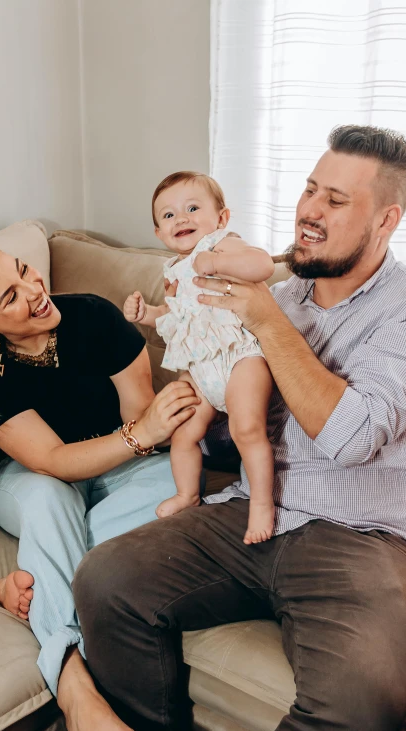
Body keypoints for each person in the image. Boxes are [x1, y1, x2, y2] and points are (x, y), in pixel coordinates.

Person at [72, 125, 406, 731]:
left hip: (363, 539)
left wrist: (266, 320)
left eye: (335, 199)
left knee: (364, 709)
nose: (309, 209)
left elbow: (352, 437)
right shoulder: (280, 291)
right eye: (309, 189)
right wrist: (193, 405)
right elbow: (228, 396)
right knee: (105, 581)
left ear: (386, 219)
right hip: (252, 507)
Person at [0, 241, 201, 731]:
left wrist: (149, 430)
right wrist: (143, 432)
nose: (35, 291)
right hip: (29, 479)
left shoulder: (94, 317)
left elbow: (141, 427)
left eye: (26, 271)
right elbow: (52, 460)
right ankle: (71, 679)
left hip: (119, 463)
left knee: (185, 491)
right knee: (53, 498)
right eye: (11, 296)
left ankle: (32, 585)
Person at [123, 172, 275, 544]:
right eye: (170, 215)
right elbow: (175, 317)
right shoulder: (173, 271)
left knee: (247, 429)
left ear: (221, 218)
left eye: (193, 208)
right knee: (184, 432)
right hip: (201, 367)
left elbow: (264, 266)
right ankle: (187, 493)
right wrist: (147, 314)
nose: (183, 219)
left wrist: (216, 261)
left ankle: (261, 504)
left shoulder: (223, 244)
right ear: (160, 233)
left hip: (240, 355)